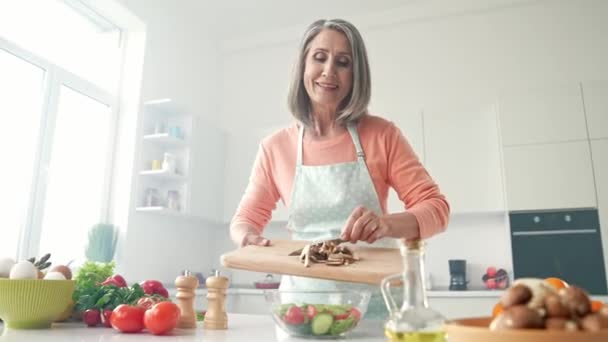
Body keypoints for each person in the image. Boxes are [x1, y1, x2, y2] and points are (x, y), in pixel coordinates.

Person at [230, 18, 449, 319]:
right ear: (303, 66)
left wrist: (385, 224)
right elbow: (245, 220)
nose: (329, 71)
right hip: (302, 311)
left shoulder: (382, 135)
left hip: (374, 307)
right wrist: (247, 237)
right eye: (319, 57)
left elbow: (437, 209)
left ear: (355, 74)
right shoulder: (275, 147)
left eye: (343, 62)